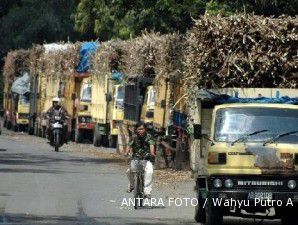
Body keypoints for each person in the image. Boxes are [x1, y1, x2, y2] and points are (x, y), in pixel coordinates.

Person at [125, 122, 156, 198]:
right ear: (136, 130)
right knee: (129, 171)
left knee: (150, 171)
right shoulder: (134, 137)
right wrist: (126, 152)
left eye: (142, 129)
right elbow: (129, 145)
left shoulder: (149, 136)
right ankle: (132, 185)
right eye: (139, 129)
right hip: (136, 159)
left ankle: (147, 191)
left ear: (145, 129)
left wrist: (152, 153)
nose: (140, 131)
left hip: (146, 159)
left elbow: (151, 144)